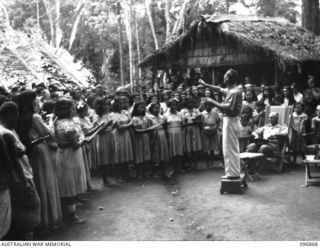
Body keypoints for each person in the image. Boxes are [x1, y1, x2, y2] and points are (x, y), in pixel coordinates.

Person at [15, 90, 62, 231]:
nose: (38, 101)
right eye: (35, 99)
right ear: (30, 103)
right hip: (41, 150)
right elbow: (49, 134)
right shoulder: (35, 117)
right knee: (47, 182)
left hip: (31, 153)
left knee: (39, 182)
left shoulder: (20, 118)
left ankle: (41, 219)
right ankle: (50, 219)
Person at [199, 68, 243, 179]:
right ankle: (233, 171)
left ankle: (232, 173)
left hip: (231, 121)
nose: (223, 77)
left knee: (229, 148)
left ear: (228, 78)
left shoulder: (234, 92)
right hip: (231, 121)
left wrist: (211, 101)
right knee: (230, 147)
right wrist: (206, 84)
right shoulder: (232, 90)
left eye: (225, 75)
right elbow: (219, 89)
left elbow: (226, 107)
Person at [54, 98, 86, 224]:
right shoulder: (68, 124)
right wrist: (83, 141)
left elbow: (60, 142)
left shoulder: (58, 122)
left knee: (67, 183)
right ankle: (71, 216)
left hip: (64, 155)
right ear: (67, 110)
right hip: (71, 156)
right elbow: (74, 144)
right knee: (70, 184)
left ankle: (68, 212)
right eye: (73, 108)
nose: (74, 111)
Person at [92, 98, 115, 186]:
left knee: (109, 156)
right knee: (103, 158)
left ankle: (108, 176)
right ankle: (104, 178)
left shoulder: (107, 114)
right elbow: (98, 131)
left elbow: (111, 126)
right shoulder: (96, 116)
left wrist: (111, 126)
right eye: (105, 105)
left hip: (110, 136)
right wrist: (107, 125)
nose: (107, 106)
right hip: (102, 137)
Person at [131, 101, 153, 179]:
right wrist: (146, 130)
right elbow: (136, 130)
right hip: (138, 138)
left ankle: (145, 172)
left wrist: (150, 127)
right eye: (140, 107)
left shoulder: (146, 117)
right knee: (139, 154)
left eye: (143, 107)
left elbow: (149, 126)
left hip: (146, 137)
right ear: (136, 108)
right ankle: (139, 173)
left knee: (146, 153)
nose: (142, 109)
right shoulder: (134, 118)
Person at [180, 96, 202, 171]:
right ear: (186, 103)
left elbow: (200, 120)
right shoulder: (183, 111)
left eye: (192, 103)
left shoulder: (196, 110)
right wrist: (185, 121)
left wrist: (197, 121)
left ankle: (195, 164)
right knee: (188, 146)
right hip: (187, 129)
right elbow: (182, 121)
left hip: (195, 129)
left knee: (195, 146)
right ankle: (189, 164)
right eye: (189, 103)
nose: (191, 104)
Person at [163, 98, 184, 174]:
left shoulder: (179, 114)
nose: (174, 106)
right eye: (172, 105)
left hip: (179, 132)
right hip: (170, 133)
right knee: (172, 151)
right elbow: (164, 126)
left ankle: (178, 167)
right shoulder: (165, 115)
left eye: (175, 104)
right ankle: (172, 168)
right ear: (169, 105)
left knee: (179, 150)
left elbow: (182, 123)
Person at [149, 103, 169, 178]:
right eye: (155, 108)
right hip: (154, 135)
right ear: (151, 109)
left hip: (162, 134)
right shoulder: (150, 118)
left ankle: (163, 171)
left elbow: (165, 126)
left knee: (163, 151)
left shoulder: (162, 117)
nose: (157, 110)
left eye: (158, 108)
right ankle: (155, 171)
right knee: (156, 152)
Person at [201, 100, 220, 168]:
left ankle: (212, 162)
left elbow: (218, 121)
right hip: (205, 131)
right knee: (206, 147)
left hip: (213, 130)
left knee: (212, 147)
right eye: (207, 105)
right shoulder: (202, 113)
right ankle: (207, 162)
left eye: (210, 105)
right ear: (204, 106)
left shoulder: (215, 113)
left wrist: (215, 129)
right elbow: (201, 124)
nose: (208, 107)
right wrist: (205, 131)